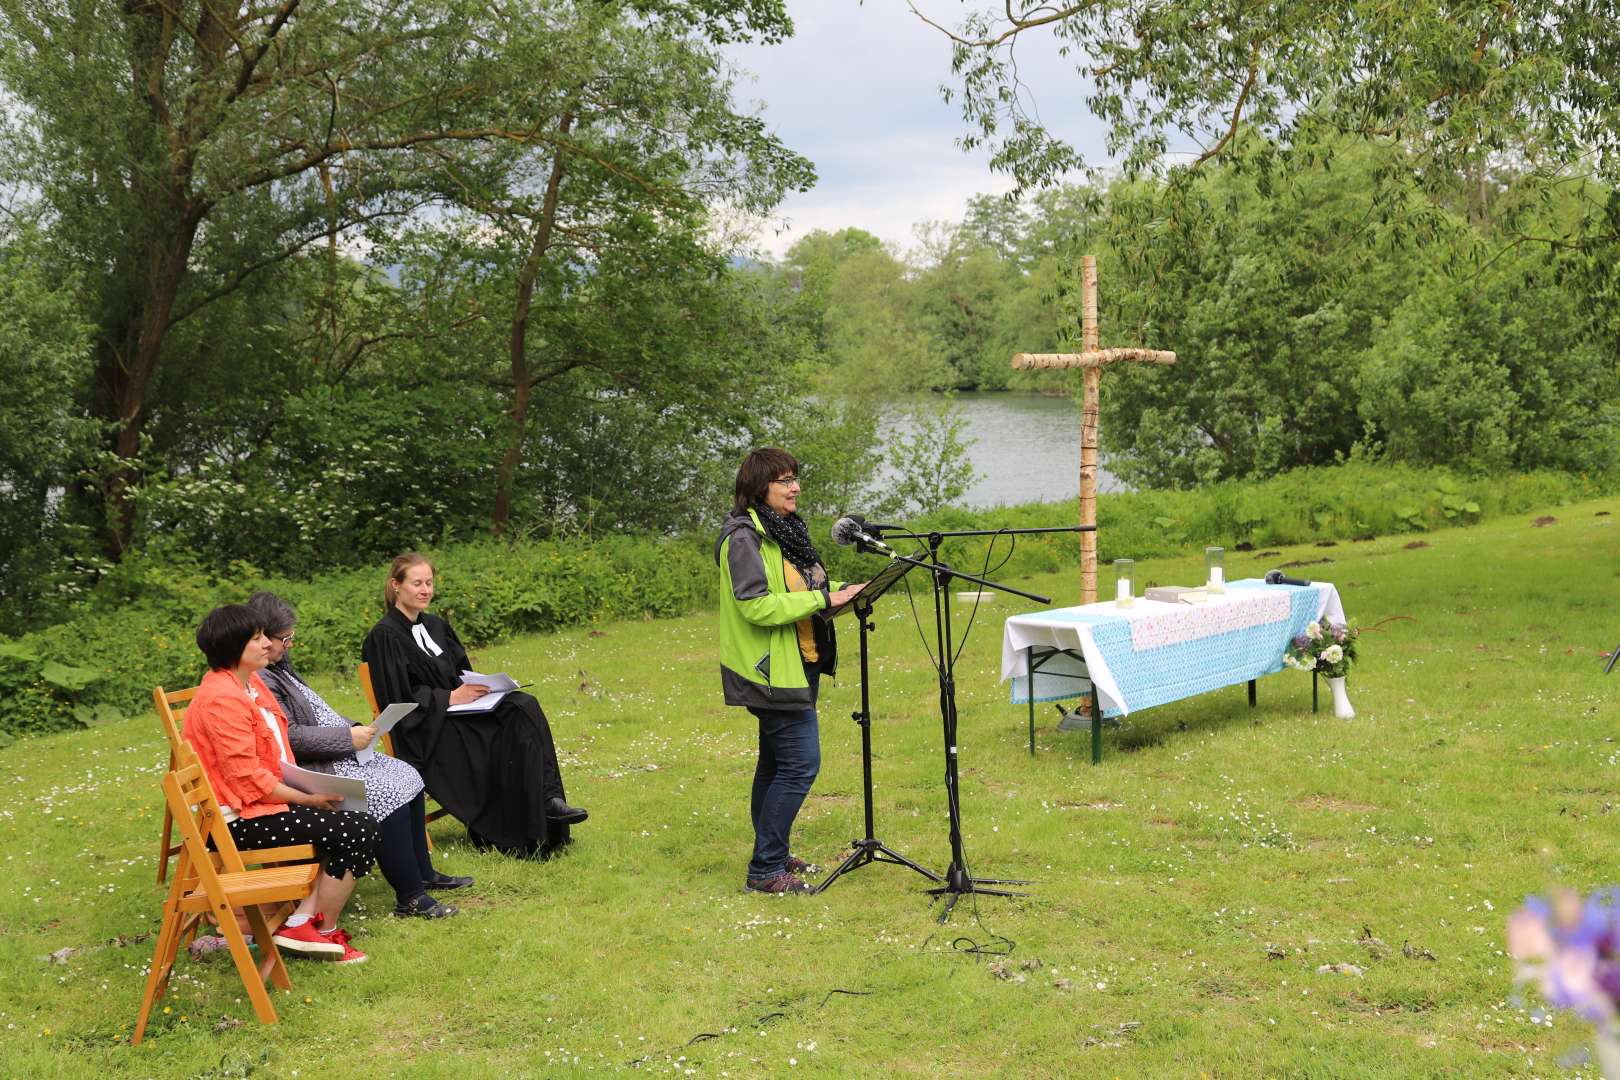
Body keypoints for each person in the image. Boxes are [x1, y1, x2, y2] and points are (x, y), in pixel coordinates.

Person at [247, 591, 472, 919]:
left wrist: (355, 729)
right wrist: (347, 738)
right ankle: (410, 896)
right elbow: (289, 736)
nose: (289, 644)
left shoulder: (279, 667)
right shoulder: (261, 677)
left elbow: (317, 713)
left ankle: (422, 872)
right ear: (263, 637)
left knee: (407, 773)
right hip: (314, 767)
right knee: (385, 790)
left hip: (337, 752)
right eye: (285, 638)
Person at [184, 604, 379, 964]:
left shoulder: (249, 683)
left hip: (257, 805)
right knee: (356, 828)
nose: (266, 644)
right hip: (235, 822)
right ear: (233, 648)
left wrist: (307, 787)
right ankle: (321, 930)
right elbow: (248, 779)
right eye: (256, 638)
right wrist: (307, 798)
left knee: (354, 816)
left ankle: (302, 923)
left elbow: (271, 752)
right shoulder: (221, 699)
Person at [360, 554, 587, 859]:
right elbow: (397, 698)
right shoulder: (384, 636)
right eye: (417, 583)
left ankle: (548, 802)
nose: (425, 590)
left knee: (522, 704)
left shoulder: (436, 626)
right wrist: (449, 698)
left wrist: (481, 687)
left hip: (459, 715)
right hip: (425, 731)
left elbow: (460, 672)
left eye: (429, 583)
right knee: (512, 719)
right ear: (396, 585)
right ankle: (534, 813)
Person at [715, 448, 864, 894]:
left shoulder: (784, 531)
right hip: (770, 672)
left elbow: (803, 587)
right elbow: (756, 605)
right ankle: (764, 870)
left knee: (775, 763)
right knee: (800, 764)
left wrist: (845, 591)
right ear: (759, 487)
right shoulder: (745, 539)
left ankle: (774, 854)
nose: (795, 487)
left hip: (800, 662)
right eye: (785, 480)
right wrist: (824, 600)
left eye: (795, 478)